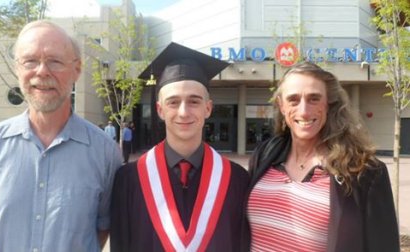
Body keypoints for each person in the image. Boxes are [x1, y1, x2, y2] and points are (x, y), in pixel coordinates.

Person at [0, 20, 122, 252]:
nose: (42, 71)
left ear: (77, 69)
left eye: (55, 61)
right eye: (30, 61)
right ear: (17, 69)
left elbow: (102, 227)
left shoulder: (105, 153)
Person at [110, 42, 250, 252]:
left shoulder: (236, 179)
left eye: (194, 101)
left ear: (208, 108)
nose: (184, 112)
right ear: (159, 110)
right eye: (173, 102)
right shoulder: (129, 179)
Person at [247, 62, 399, 252]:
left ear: (329, 104)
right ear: (282, 106)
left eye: (314, 99)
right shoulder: (264, 155)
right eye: (293, 99)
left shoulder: (364, 171)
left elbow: (383, 246)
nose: (304, 111)